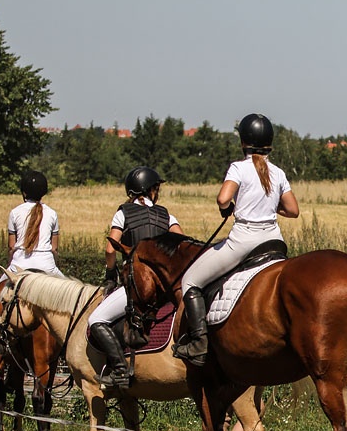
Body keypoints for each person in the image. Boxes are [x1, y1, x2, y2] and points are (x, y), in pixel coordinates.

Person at [173, 113, 300, 366]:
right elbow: (293, 211)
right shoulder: (278, 172)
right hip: (275, 241)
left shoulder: (238, 168)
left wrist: (233, 206)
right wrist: (268, 208)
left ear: (243, 142)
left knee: (190, 281)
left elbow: (222, 199)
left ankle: (199, 343)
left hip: (244, 242)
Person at [87, 166, 182, 388]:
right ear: (151, 191)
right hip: (165, 289)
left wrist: (110, 273)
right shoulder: (167, 215)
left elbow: (111, 249)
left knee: (96, 320)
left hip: (139, 288)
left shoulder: (123, 213)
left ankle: (119, 370)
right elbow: (181, 242)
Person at [0, 170, 63, 281]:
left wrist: (10, 266)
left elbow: (11, 247)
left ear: (24, 192)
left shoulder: (15, 213)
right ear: (44, 192)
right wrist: (54, 265)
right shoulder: (52, 214)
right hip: (46, 265)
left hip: (19, 265)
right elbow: (54, 248)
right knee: (69, 294)